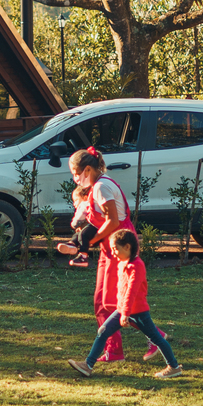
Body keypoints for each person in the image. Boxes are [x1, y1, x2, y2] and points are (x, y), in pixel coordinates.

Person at [58, 146, 166, 362]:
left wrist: (90, 241)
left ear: (87, 169)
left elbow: (113, 221)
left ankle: (154, 337)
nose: (75, 178)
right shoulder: (98, 186)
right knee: (102, 301)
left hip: (121, 247)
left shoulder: (101, 187)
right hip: (111, 248)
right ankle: (114, 350)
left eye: (75, 173)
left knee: (112, 302)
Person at [68, 229, 182, 379]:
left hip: (138, 312)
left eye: (116, 249)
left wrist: (126, 314)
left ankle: (174, 367)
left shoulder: (137, 266)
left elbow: (131, 292)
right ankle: (88, 365)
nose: (114, 253)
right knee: (103, 331)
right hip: (122, 309)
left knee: (156, 339)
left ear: (127, 247)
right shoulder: (123, 262)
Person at [63, 185, 98, 269]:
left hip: (94, 226)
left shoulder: (84, 204)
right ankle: (72, 244)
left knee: (83, 234)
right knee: (79, 234)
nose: (74, 203)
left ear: (85, 198)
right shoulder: (90, 203)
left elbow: (79, 217)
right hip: (94, 226)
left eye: (76, 200)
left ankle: (83, 256)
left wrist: (74, 224)